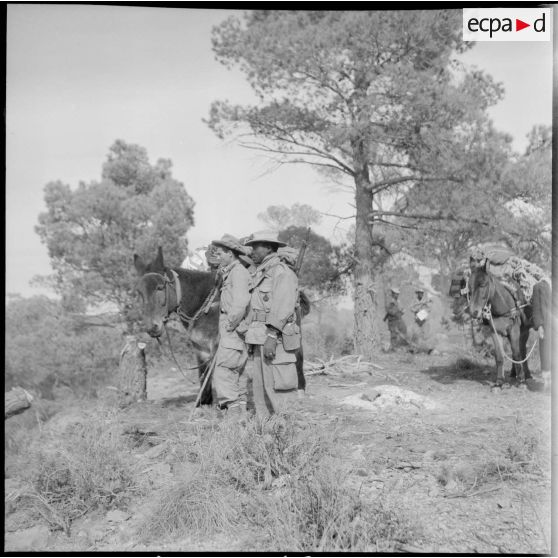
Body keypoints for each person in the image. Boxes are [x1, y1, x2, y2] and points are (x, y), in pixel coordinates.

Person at [238, 231, 300, 419]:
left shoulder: (281, 272)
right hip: (258, 337)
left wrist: (272, 336)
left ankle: (288, 432)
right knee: (261, 389)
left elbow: (284, 307)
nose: (252, 251)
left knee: (279, 387)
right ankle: (266, 431)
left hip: (276, 338)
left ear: (269, 247)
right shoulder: (261, 272)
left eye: (256, 247)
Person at [211, 234, 251, 421]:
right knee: (237, 372)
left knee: (224, 371)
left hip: (233, 331)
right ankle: (241, 418)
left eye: (220, 253)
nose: (218, 256)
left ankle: (234, 419)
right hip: (235, 331)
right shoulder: (232, 271)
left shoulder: (238, 272)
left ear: (230, 253)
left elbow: (241, 301)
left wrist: (230, 324)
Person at [531, 278, 551, 388]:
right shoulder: (539, 286)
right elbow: (536, 308)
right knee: (546, 350)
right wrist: (539, 326)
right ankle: (547, 380)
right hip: (547, 324)